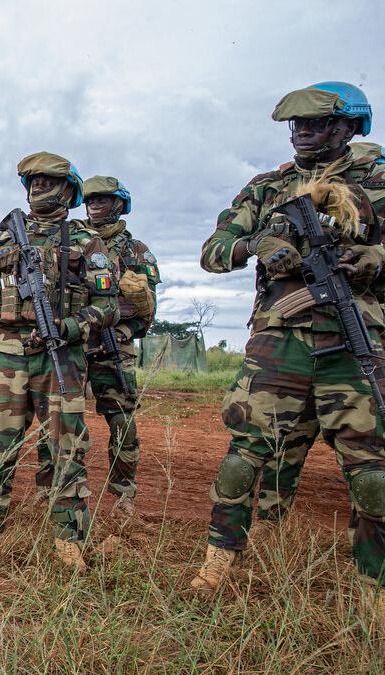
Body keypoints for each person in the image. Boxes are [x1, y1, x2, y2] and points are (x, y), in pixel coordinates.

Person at [193, 82, 385, 601]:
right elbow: (214, 250)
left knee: (371, 472)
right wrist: (260, 243)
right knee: (243, 456)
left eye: (314, 124)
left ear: (348, 127)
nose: (300, 134)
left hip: (355, 342)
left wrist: (376, 259)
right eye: (293, 126)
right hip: (280, 341)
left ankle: (375, 585)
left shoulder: (379, 182)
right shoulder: (266, 187)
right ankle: (218, 563)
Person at [0, 152, 118, 570]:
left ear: (68, 190)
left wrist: (70, 327)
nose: (37, 188)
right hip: (7, 356)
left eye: (47, 181)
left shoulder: (86, 242)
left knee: (67, 449)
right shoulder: (3, 239)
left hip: (60, 357)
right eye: (31, 181)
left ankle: (68, 538)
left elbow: (109, 306)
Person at [77, 176, 158, 514]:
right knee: (63, 419)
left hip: (115, 345)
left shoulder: (136, 250)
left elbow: (147, 308)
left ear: (120, 204)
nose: (95, 204)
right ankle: (59, 486)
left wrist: (125, 333)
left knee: (122, 420)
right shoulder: (74, 240)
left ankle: (124, 493)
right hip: (75, 342)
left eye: (103, 199)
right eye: (91, 199)